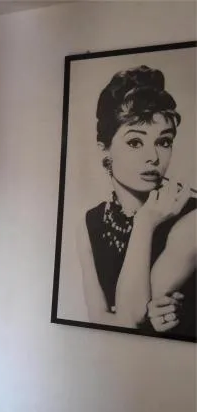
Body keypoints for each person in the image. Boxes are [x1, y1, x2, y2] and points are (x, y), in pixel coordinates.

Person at [77, 65, 196, 338]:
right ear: (105, 150)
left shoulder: (192, 220)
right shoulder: (90, 222)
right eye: (135, 142)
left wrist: (144, 223)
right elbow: (97, 318)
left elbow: (130, 318)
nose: (153, 157)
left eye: (163, 142)